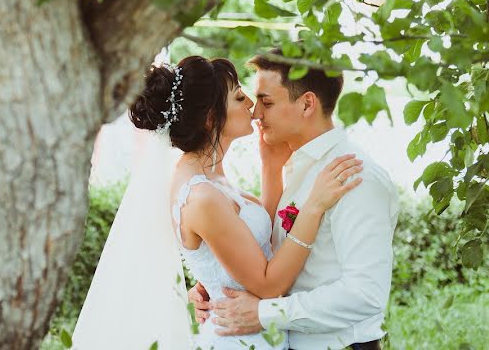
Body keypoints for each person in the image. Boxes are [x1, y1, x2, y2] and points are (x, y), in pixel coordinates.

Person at [73, 55, 363, 350]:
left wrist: (270, 168)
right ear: (211, 118)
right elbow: (268, 284)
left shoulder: (210, 175)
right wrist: (314, 206)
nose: (250, 103)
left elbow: (259, 243)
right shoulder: (201, 197)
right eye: (238, 97)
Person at [190, 49, 400, 350]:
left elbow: (366, 294)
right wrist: (215, 284)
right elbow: (274, 256)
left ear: (307, 104)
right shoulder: (298, 166)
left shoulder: (355, 177)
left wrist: (265, 313)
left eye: (267, 102)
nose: (256, 114)